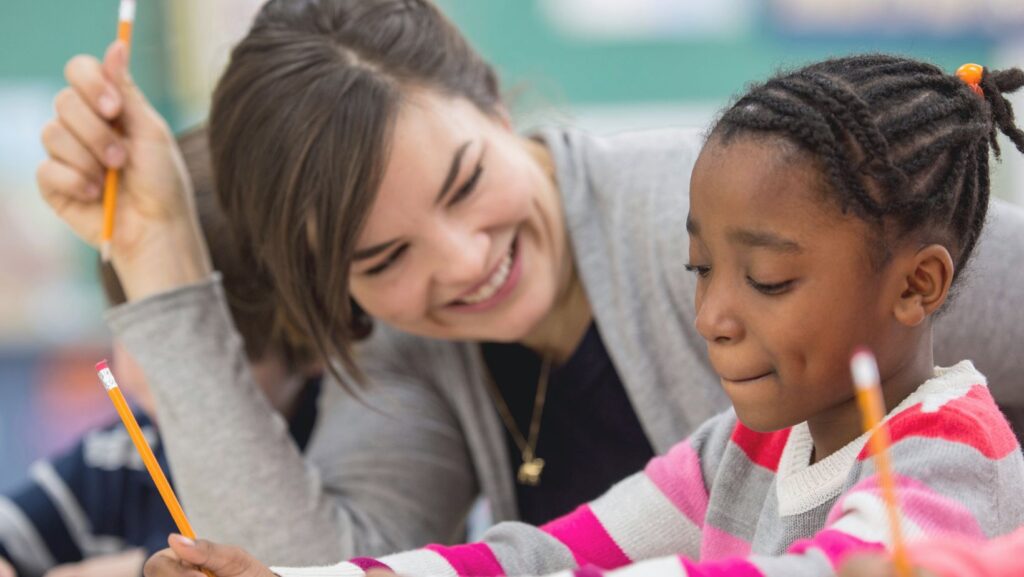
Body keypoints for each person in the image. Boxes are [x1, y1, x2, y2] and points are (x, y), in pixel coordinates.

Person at [35, 0, 1024, 564]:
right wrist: (157, 246)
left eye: (465, 184)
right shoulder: (727, 444)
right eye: (383, 261)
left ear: (495, 104)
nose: (461, 261)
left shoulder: (766, 209)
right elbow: (529, 556)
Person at [1, 130, 322, 577]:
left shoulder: (337, 456)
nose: (134, 367)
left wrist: (136, 566)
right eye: (129, 329)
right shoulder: (120, 454)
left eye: (188, 352)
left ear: (310, 345)